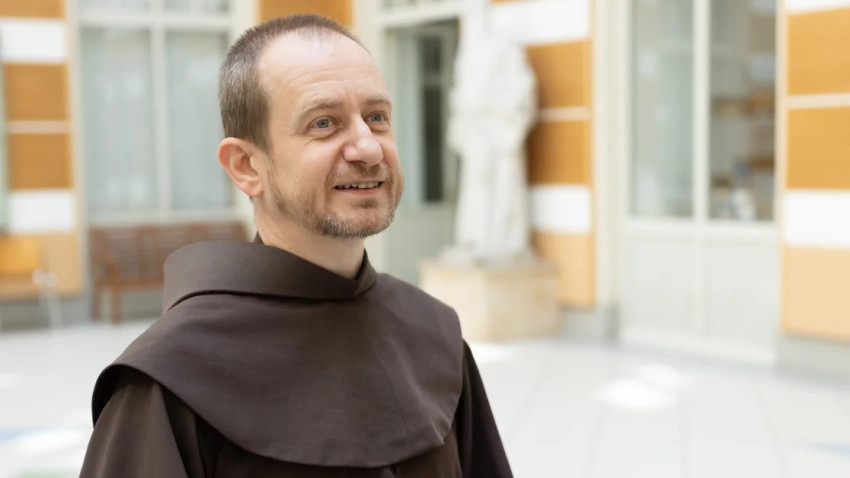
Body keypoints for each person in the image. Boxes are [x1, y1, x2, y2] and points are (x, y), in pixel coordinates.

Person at [79, 14, 513, 478]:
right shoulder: (169, 379)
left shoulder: (435, 334)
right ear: (246, 166)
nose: (368, 148)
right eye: (324, 123)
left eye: (377, 118)